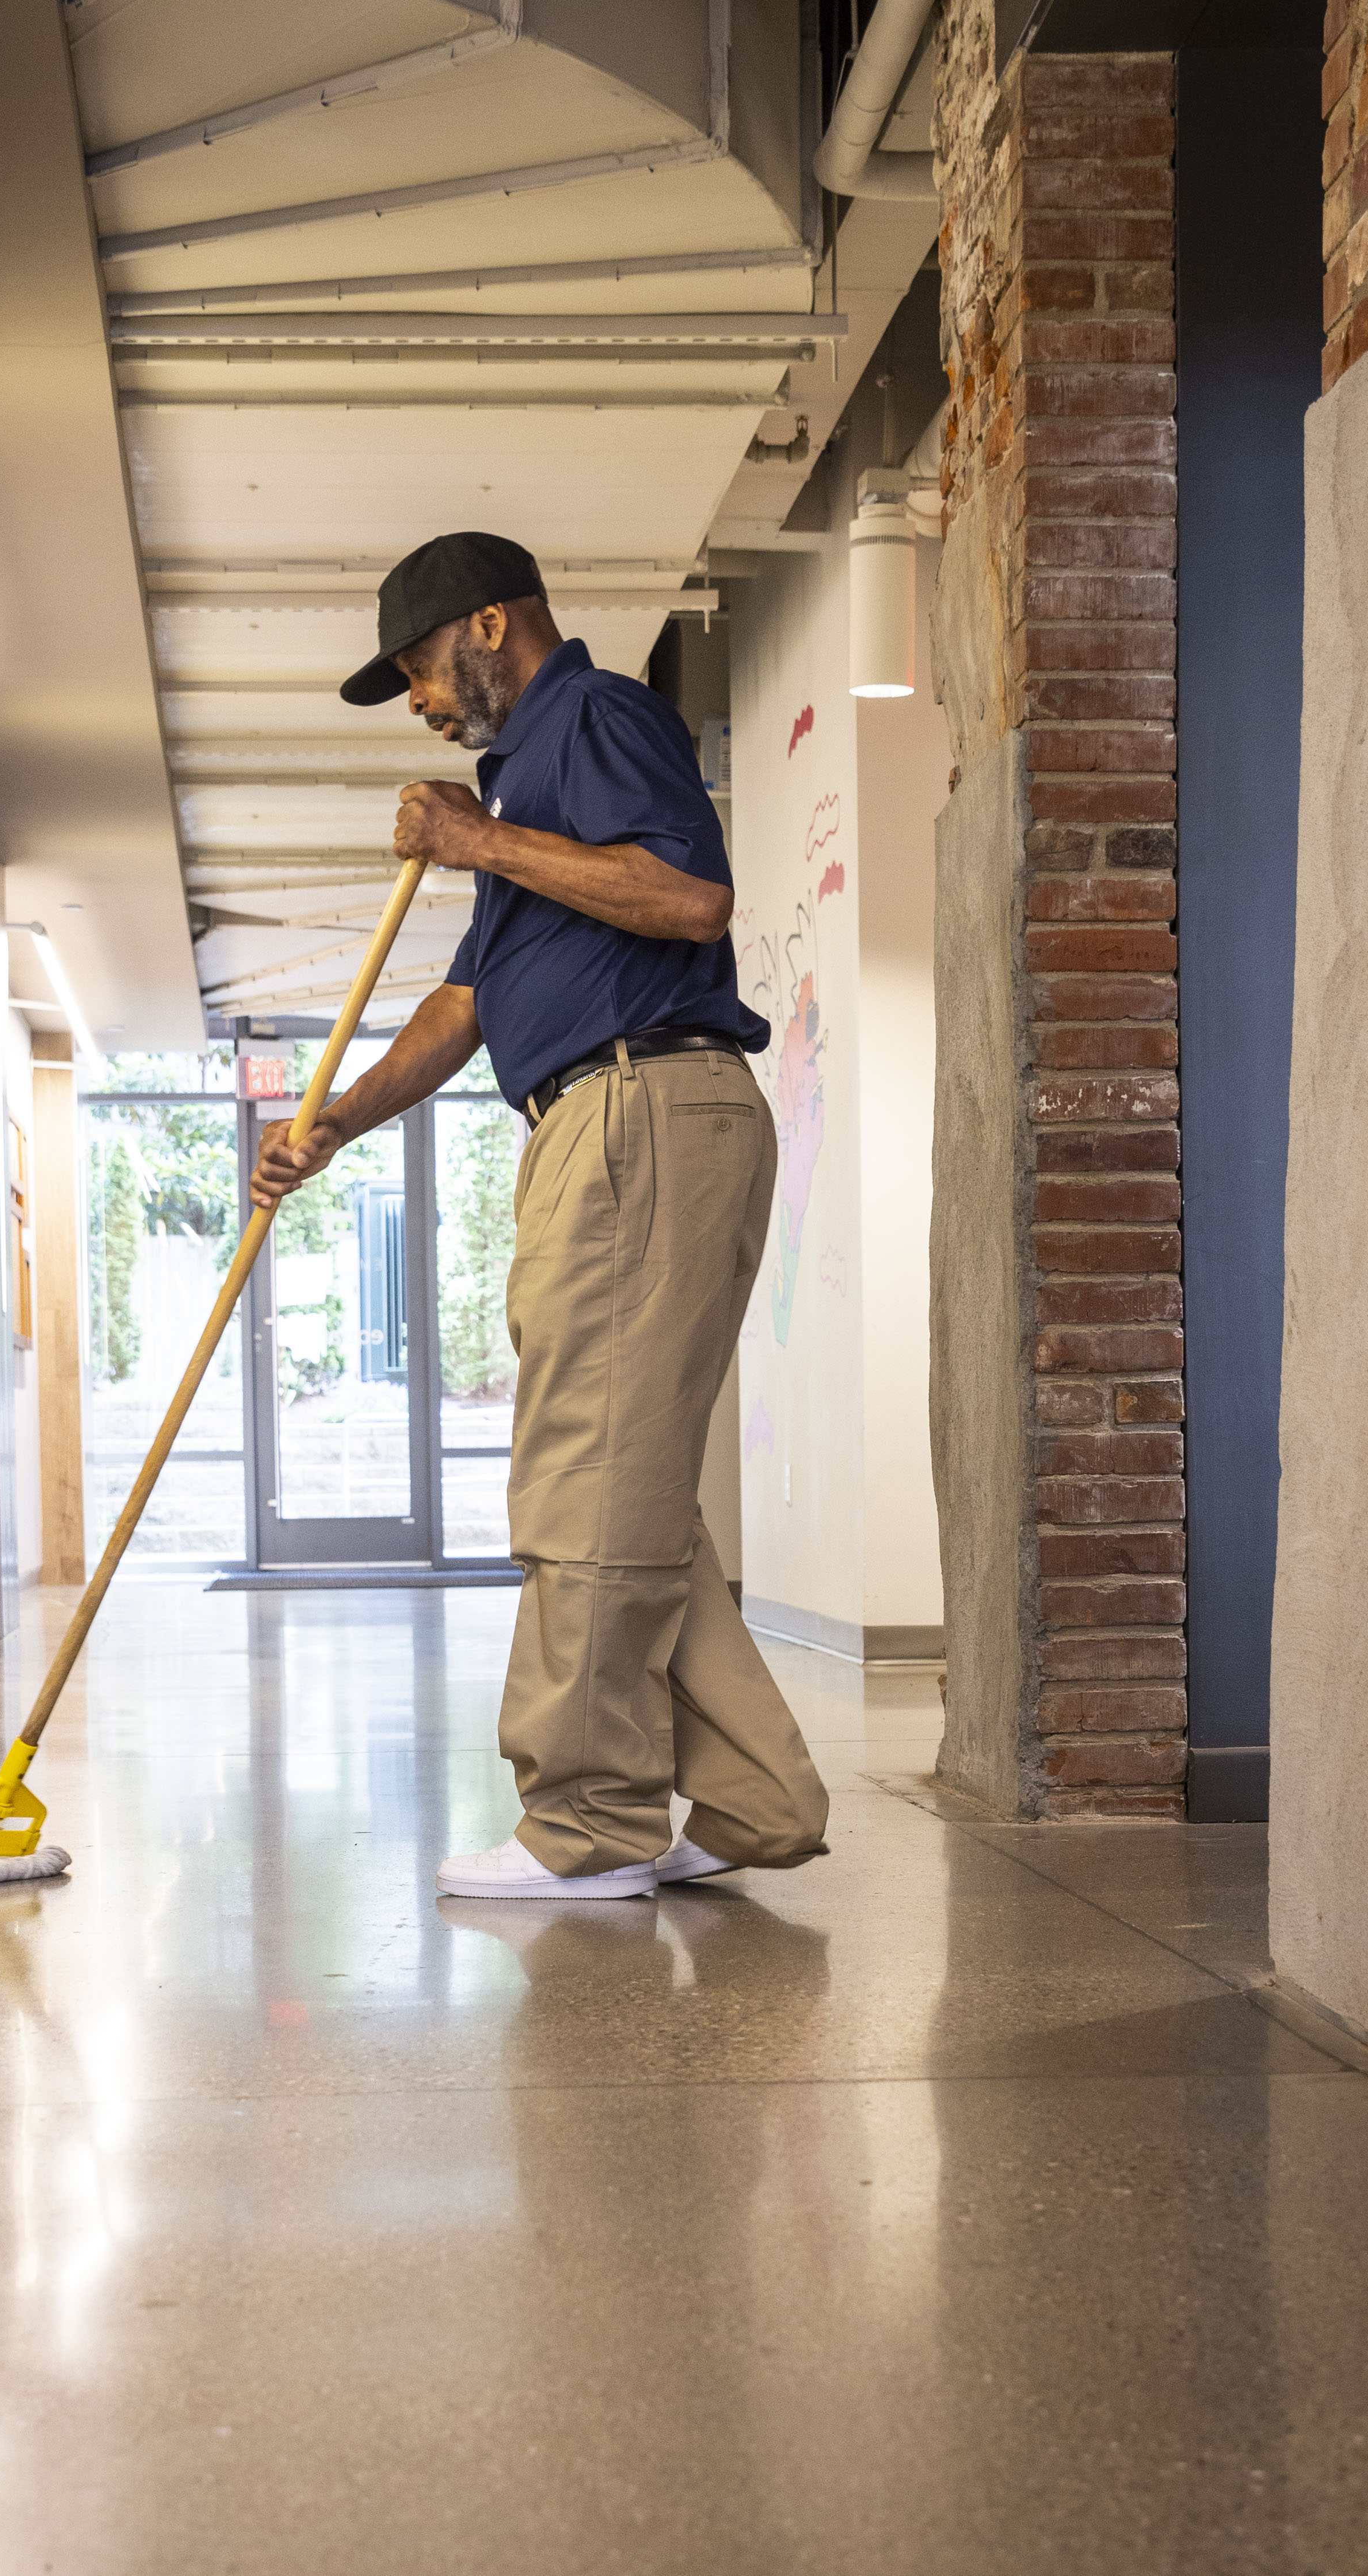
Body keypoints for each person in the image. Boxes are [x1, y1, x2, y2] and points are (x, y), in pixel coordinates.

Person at [251, 532, 829, 1901]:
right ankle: (755, 1801)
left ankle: (586, 1825)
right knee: (622, 1485)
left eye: (418, 670)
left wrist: (472, 836)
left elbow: (690, 898)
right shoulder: (525, 786)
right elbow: (466, 1005)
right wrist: (334, 1119)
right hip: (600, 1117)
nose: (418, 704)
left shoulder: (595, 717)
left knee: (586, 1477)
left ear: (490, 625)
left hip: (642, 1108)